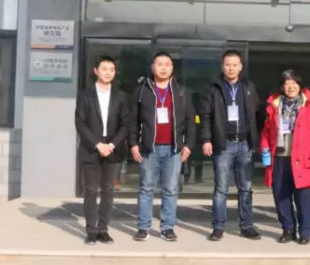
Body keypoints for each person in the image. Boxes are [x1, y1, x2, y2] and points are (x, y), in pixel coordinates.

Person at [129, 52, 196, 242]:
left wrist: (189, 145)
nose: (163, 68)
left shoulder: (181, 91)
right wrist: (133, 143)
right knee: (146, 189)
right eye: (159, 64)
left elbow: (191, 120)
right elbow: (132, 119)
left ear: (172, 68)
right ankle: (143, 227)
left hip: (173, 149)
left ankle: (167, 227)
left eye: (167, 64)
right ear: (152, 67)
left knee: (171, 189)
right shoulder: (142, 90)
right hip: (148, 149)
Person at [200, 50, 261, 241]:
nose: (231, 68)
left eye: (235, 65)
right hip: (223, 144)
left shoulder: (249, 87)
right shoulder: (213, 88)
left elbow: (257, 114)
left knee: (246, 188)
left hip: (245, 144)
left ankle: (246, 225)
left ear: (240, 66)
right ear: (222, 66)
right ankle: (218, 227)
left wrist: (257, 139)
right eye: (227, 64)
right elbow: (205, 116)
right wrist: (206, 139)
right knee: (221, 189)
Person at [260, 70, 310, 245]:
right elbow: (266, 131)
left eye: (294, 83)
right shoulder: (273, 106)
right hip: (279, 158)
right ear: (282, 87)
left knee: (303, 197)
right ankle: (288, 229)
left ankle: (305, 231)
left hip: (302, 159)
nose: (291, 86)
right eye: (287, 83)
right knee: (281, 195)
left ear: (300, 86)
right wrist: (265, 150)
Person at [75, 55, 131, 245]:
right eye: (104, 69)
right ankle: (91, 230)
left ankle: (103, 229)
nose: (108, 72)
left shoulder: (121, 96)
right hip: (91, 148)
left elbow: (126, 124)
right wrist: (97, 144)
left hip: (113, 148)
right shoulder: (85, 94)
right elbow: (80, 123)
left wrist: (112, 145)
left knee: (108, 190)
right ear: (96, 71)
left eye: (111, 69)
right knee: (90, 190)